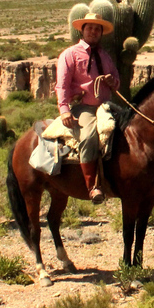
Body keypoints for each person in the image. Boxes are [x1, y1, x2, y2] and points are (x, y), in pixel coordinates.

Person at [55, 13, 120, 204]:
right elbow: (62, 85)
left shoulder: (104, 56)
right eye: (90, 28)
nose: (93, 31)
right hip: (84, 108)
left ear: (101, 33)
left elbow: (117, 81)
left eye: (97, 29)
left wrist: (112, 81)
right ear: (82, 30)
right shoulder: (70, 54)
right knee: (88, 136)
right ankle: (93, 187)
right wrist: (64, 110)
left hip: (105, 106)